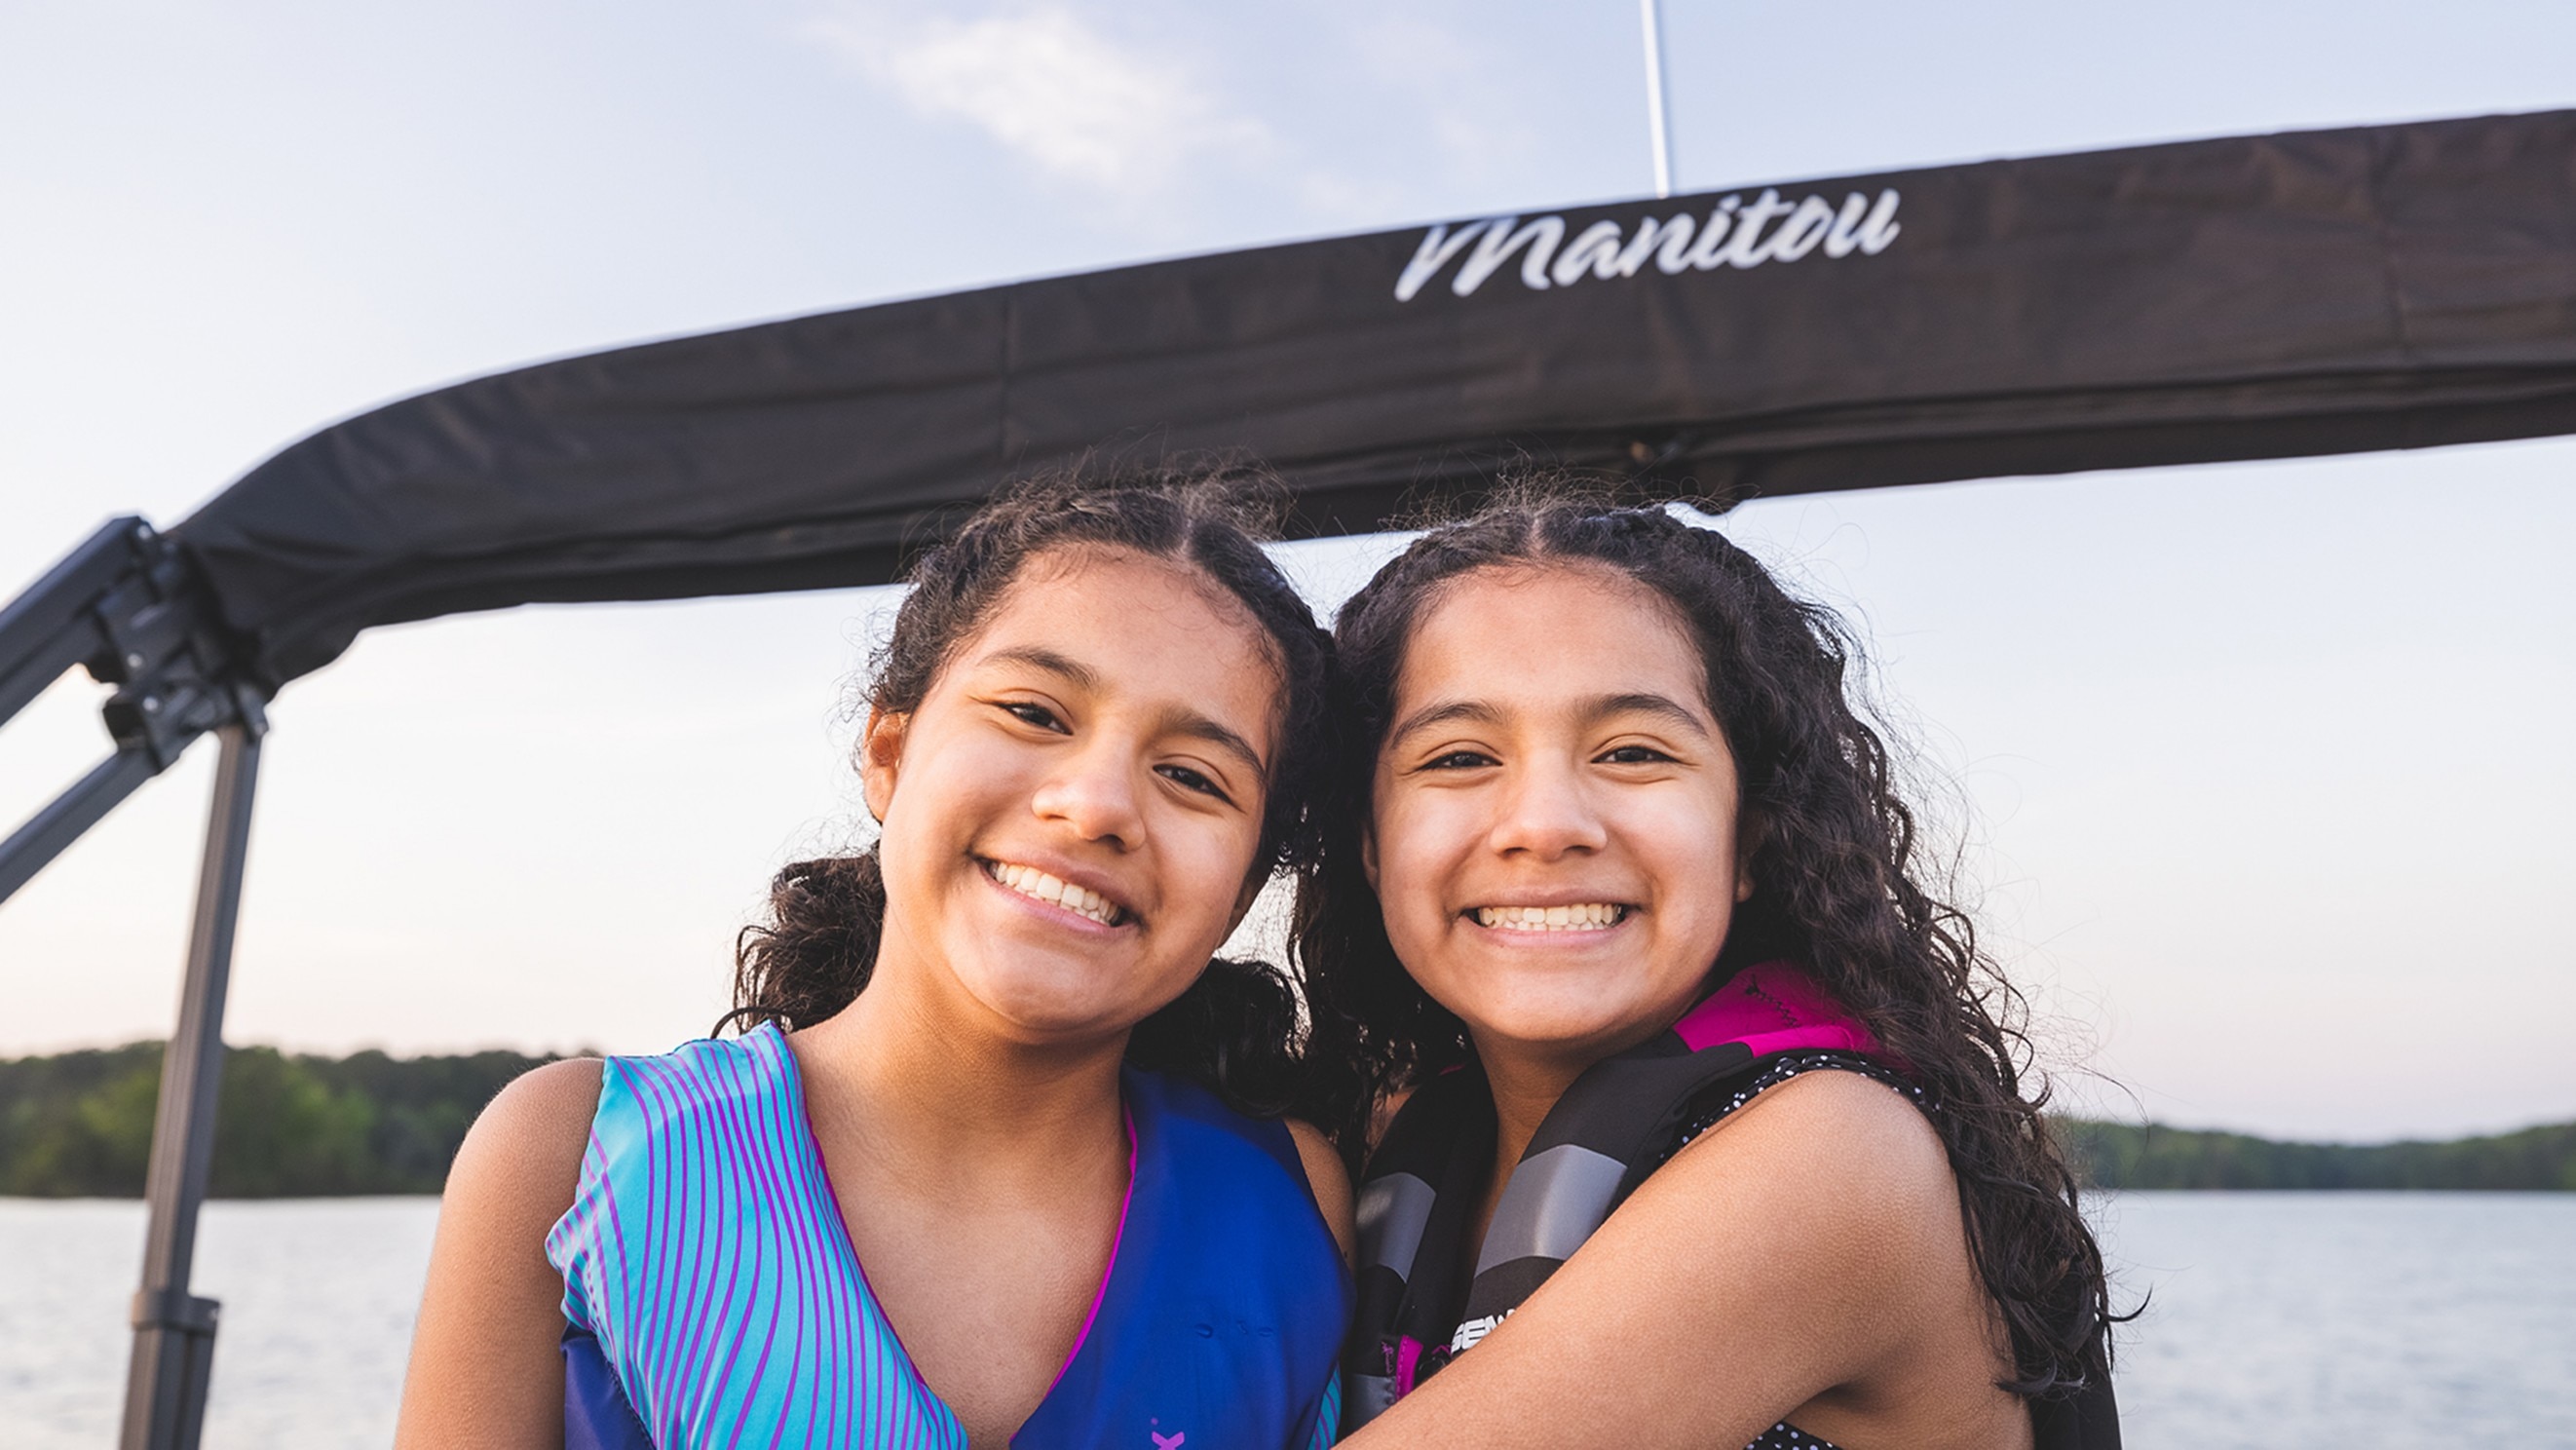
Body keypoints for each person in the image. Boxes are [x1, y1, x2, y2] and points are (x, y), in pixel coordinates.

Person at [398, 474, 1355, 1449]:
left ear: (1238, 890)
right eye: (1034, 712)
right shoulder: (574, 1153)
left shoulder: (1293, 1200)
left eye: (1193, 776)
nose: (1098, 802)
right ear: (888, 756)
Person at [1295, 484, 2120, 1450]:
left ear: (1748, 839)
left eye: (1634, 751)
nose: (1546, 825)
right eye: (1459, 757)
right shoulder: (1394, 1139)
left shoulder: (1834, 1157)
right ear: (1368, 844)